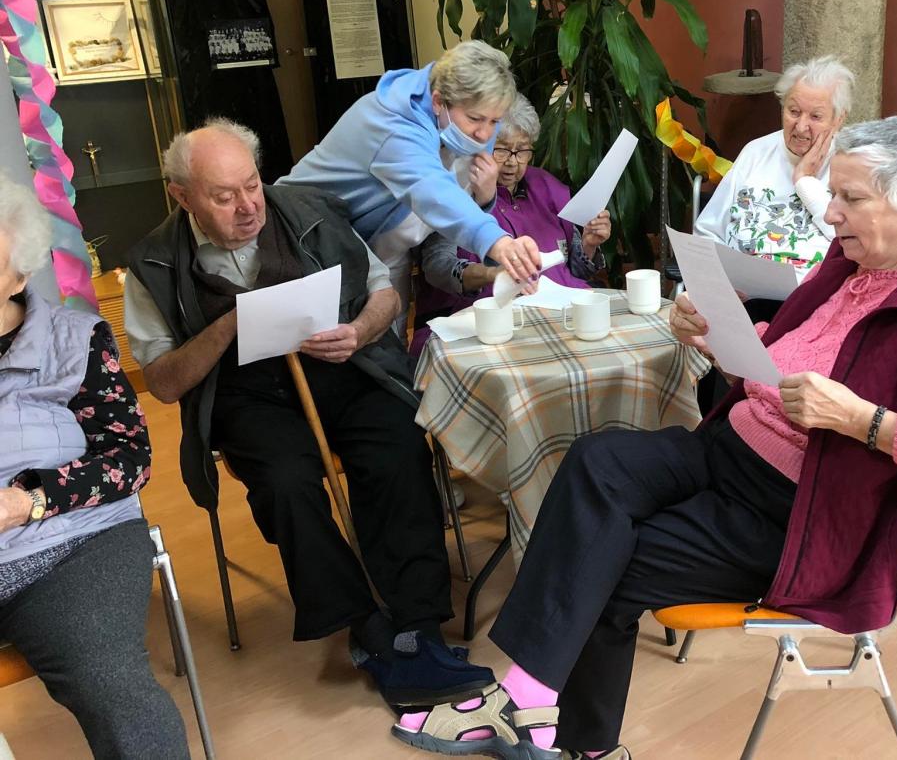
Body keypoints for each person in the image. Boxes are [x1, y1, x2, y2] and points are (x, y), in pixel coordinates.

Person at [392, 117, 897, 759]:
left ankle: (558, 727)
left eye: (850, 198)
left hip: (798, 514)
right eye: (833, 193)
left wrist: (862, 419)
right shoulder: (848, 266)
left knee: (607, 560)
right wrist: (717, 336)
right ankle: (533, 708)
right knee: (594, 459)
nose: (830, 212)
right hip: (728, 450)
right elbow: (781, 370)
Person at [122, 120, 493, 709]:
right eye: (224, 196)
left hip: (340, 366)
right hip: (246, 395)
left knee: (398, 443)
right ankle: (369, 631)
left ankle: (417, 623)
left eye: (252, 185)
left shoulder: (309, 210)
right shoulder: (154, 262)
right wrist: (231, 324)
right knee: (285, 482)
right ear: (182, 196)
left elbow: (383, 292)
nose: (249, 206)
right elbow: (164, 383)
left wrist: (359, 331)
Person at [0, 176, 188, 758]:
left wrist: (27, 501)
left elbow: (129, 459)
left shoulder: (73, 341)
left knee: (108, 683)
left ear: (20, 276)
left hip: (69, 548)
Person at [278, 39, 542, 330]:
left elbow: (460, 188)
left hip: (382, 248)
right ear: (438, 101)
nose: (484, 134)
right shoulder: (393, 125)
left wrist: (486, 203)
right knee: (342, 344)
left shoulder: (471, 115)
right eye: (475, 119)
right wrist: (497, 242)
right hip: (308, 235)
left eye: (494, 121)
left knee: (389, 340)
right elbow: (434, 191)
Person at [411, 94, 611, 355]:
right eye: (501, 149)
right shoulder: (454, 190)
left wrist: (588, 245)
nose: (512, 162)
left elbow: (575, 271)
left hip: (559, 320)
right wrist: (490, 275)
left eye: (522, 150)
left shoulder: (548, 188)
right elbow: (438, 267)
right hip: (483, 323)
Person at [694, 56, 853, 321]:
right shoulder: (756, 152)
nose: (801, 127)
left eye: (815, 116)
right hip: (740, 302)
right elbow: (707, 231)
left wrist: (805, 182)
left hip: (813, 308)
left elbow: (850, 240)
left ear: (838, 120)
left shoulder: (850, 164)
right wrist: (718, 284)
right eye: (793, 111)